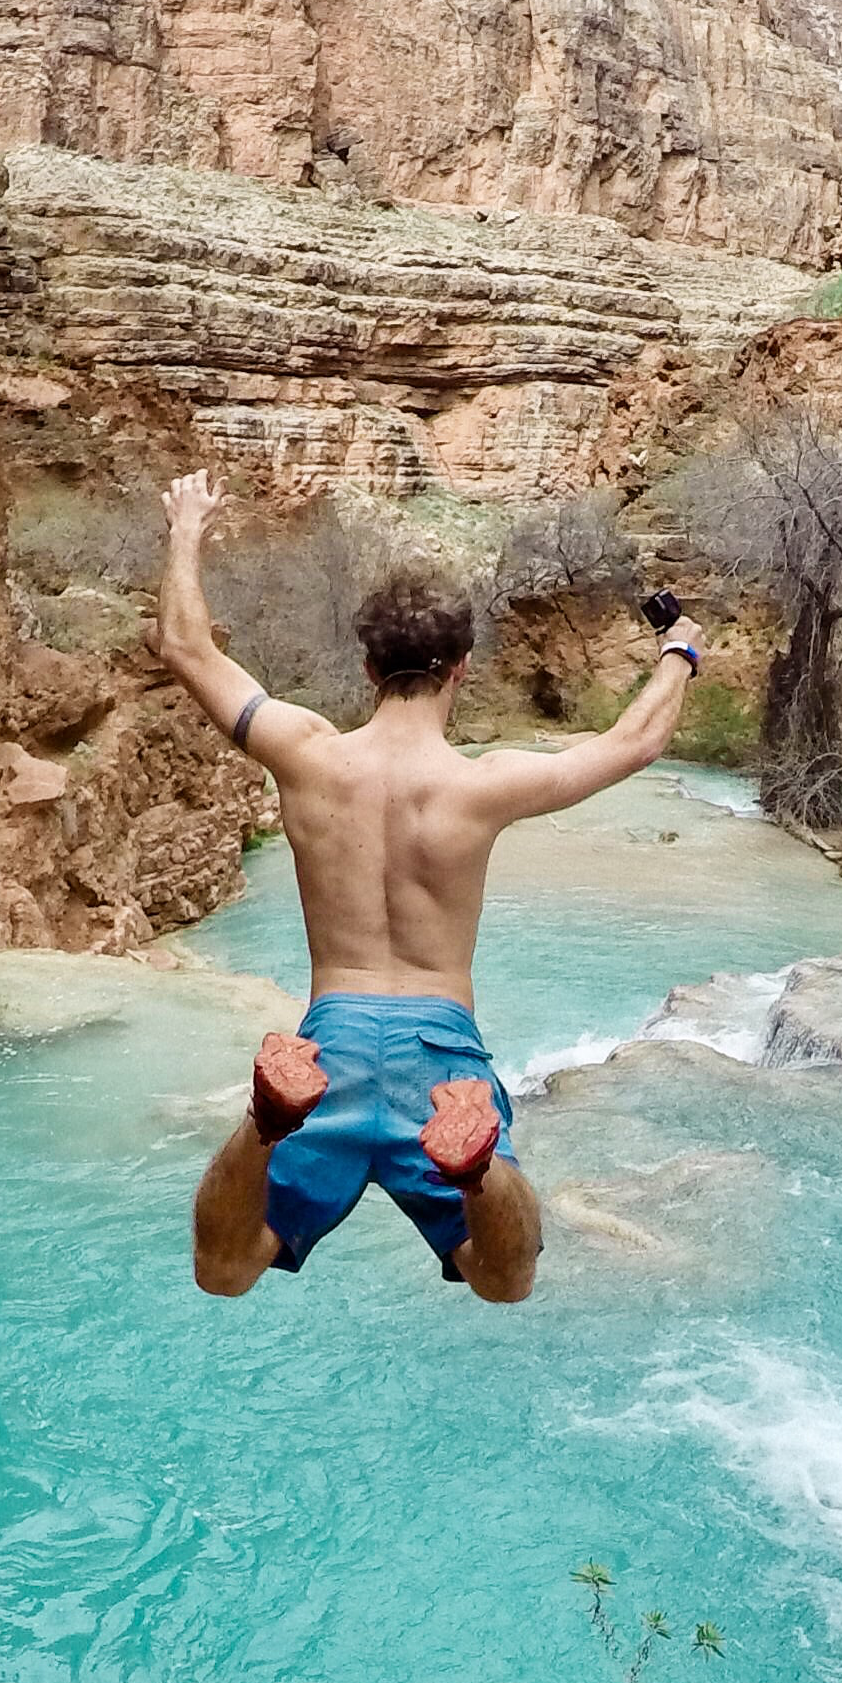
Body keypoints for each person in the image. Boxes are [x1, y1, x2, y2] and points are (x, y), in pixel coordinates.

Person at [145, 469, 707, 1304]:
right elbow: (635, 742)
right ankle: (476, 1169)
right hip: (439, 1049)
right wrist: (681, 652)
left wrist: (187, 526)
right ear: (463, 670)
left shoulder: (304, 752)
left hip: (326, 1043)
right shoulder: (483, 785)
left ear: (369, 667)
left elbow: (188, 648)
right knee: (504, 1278)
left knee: (225, 1270)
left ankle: (268, 1120)